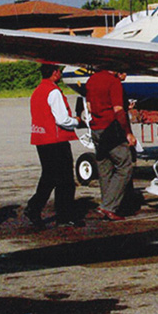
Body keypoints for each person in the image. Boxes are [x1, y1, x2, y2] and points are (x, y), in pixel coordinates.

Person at [24, 63, 82, 229]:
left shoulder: (38, 90)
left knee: (49, 177)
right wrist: (76, 121)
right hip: (56, 139)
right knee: (66, 180)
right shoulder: (54, 91)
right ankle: (64, 216)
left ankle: (34, 207)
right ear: (55, 73)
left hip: (41, 138)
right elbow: (62, 119)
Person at [85, 68, 137, 220]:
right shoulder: (113, 82)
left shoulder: (92, 80)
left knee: (104, 166)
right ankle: (108, 206)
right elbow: (118, 110)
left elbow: (89, 106)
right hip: (110, 128)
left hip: (96, 128)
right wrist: (128, 132)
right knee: (125, 164)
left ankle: (108, 204)